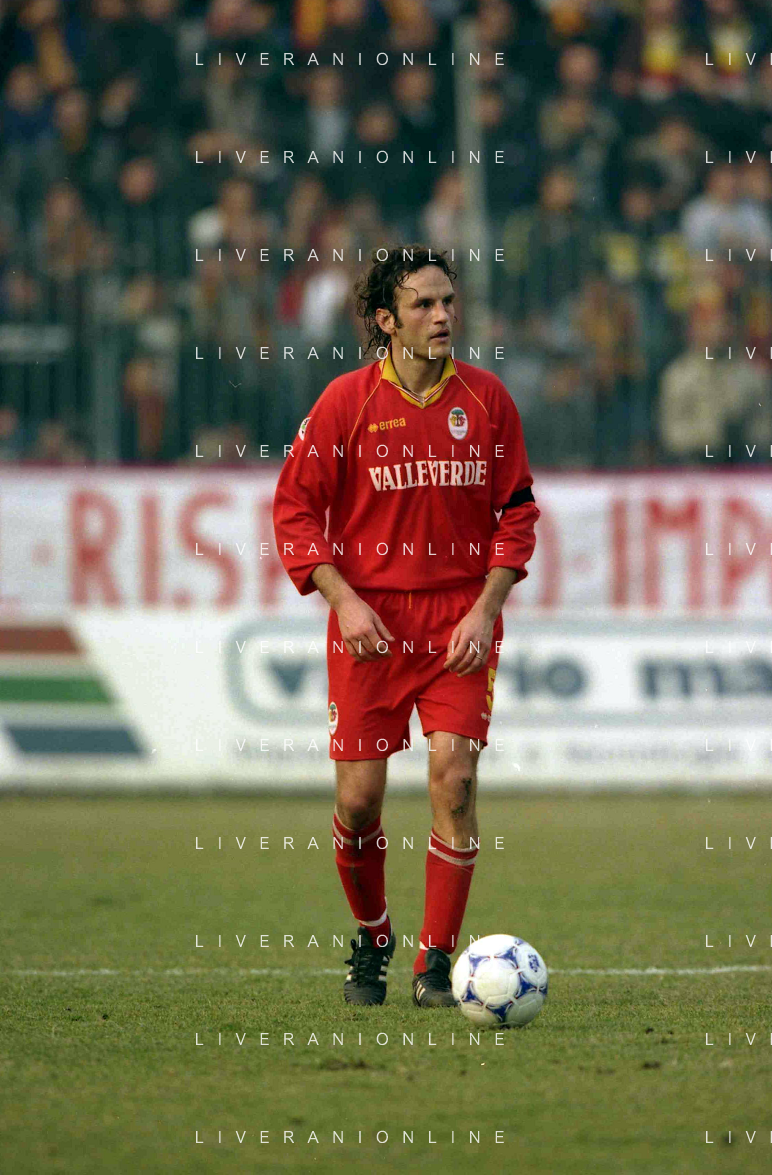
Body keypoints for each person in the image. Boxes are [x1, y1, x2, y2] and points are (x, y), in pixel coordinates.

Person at [273, 245, 539, 1007]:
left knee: (455, 782)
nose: (442, 315)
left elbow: (517, 513)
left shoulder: (487, 400)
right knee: (359, 802)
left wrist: (486, 609)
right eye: (424, 304)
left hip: (457, 622)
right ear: (387, 320)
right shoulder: (345, 403)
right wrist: (342, 599)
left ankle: (434, 961)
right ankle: (374, 934)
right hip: (371, 624)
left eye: (448, 300)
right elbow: (294, 509)